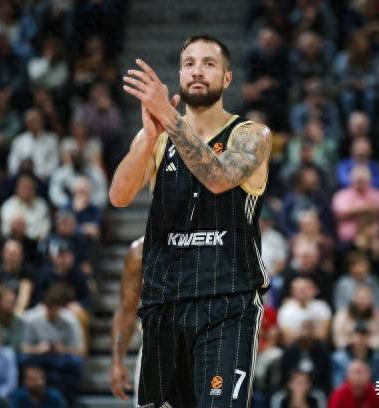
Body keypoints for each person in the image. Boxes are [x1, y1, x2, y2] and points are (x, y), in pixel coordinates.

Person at [111, 34, 272, 407]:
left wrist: (168, 118)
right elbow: (118, 196)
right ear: (180, 75)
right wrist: (148, 136)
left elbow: (218, 178)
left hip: (227, 303)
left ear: (227, 78)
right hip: (164, 303)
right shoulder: (157, 137)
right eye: (189, 64)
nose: (197, 71)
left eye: (208, 64)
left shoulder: (251, 135)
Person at [110, 236, 143, 402]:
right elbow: (126, 310)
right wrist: (117, 361)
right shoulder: (141, 249)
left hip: (208, 344)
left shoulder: (216, 239)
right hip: (157, 348)